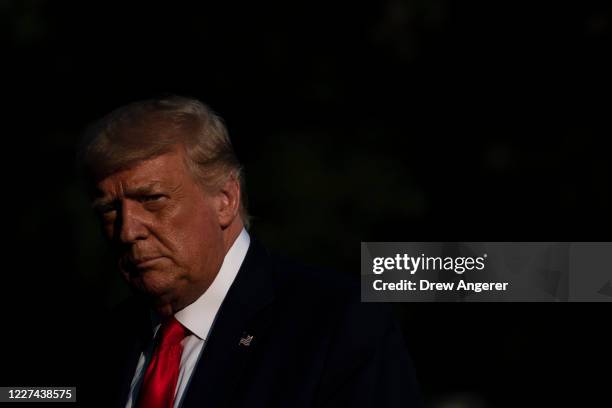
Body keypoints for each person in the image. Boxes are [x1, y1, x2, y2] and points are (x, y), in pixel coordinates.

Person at [76, 96, 422, 408]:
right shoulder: (100, 345)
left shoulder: (338, 324)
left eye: (151, 200)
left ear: (225, 199)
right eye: (108, 210)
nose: (127, 231)